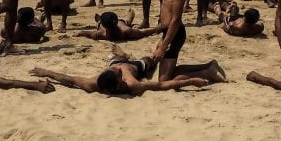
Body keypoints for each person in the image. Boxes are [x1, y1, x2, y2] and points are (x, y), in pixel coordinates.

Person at [148, 0, 228, 84]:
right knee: (166, 71)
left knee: (164, 81)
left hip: (174, 33)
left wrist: (163, 46)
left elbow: (176, 17)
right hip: (168, 32)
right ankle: (208, 66)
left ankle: (207, 72)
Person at [29, 51, 211, 96]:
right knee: (148, 61)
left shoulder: (93, 83)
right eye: (118, 74)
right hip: (135, 66)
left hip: (116, 62)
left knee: (117, 58)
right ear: (119, 80)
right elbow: (160, 85)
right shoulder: (131, 84)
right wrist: (191, 81)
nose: (119, 73)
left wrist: (46, 72)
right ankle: (125, 56)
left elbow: (68, 79)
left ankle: (121, 54)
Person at [76, 10, 164, 42]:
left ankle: (100, 19)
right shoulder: (126, 31)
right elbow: (143, 33)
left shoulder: (101, 34)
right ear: (116, 20)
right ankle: (129, 18)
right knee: (127, 22)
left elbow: (87, 33)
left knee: (99, 20)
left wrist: (79, 33)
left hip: (103, 24)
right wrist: (157, 28)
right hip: (121, 23)